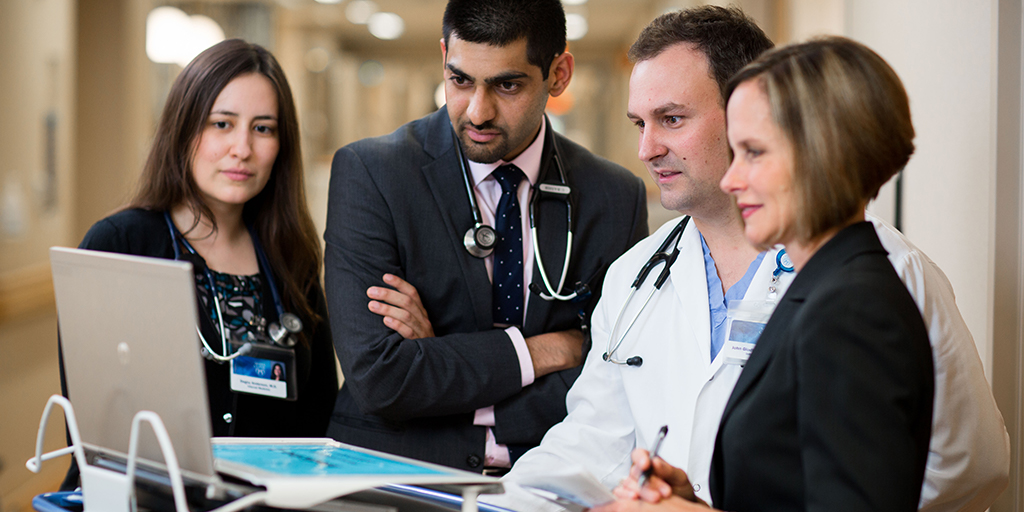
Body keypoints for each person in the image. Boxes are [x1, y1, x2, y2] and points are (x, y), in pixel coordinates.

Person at [495, 6, 1008, 512]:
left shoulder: (882, 280)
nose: (647, 149)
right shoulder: (636, 274)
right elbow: (590, 441)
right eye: (639, 124)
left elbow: (965, 467)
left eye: (672, 119)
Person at [323, 0, 648, 473]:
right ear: (444, 58)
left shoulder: (614, 197)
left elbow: (615, 377)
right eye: (460, 80)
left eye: (507, 84)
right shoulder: (373, 174)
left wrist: (440, 360)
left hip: (547, 478)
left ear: (558, 74)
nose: (478, 111)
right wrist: (548, 349)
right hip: (393, 475)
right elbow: (381, 377)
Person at [60, 40, 338, 490]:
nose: (242, 148)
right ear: (183, 130)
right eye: (221, 124)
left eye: (263, 129)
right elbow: (91, 420)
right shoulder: (119, 244)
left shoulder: (291, 260)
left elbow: (320, 415)